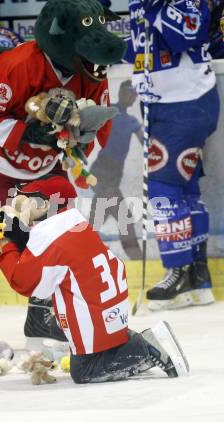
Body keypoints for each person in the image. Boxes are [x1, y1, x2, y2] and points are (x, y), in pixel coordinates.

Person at [0, 0, 126, 345]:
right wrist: (26, 132)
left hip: (46, 160)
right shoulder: (15, 66)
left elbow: (98, 126)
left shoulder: (91, 68)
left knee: (56, 225)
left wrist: (77, 164)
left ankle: (40, 311)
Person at [0, 175, 189, 383]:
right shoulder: (75, 224)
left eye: (24, 203)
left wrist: (6, 243)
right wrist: (22, 238)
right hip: (110, 316)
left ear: (45, 205)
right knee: (89, 356)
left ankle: (146, 347)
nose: (20, 209)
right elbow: (50, 258)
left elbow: (25, 283)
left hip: (96, 319)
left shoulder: (50, 236)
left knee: (84, 369)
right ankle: (128, 342)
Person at [125, 0, 219, 310]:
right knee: (184, 190)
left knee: (162, 190)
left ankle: (176, 271)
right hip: (161, 104)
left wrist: (155, 6)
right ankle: (197, 276)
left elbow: (185, 35)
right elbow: (143, 47)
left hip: (186, 104)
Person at [90, 79, 143, 260]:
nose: (133, 97)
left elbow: (146, 143)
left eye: (135, 94)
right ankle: (136, 258)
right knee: (123, 217)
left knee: (97, 219)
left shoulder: (132, 121)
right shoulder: (108, 111)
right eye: (130, 93)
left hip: (114, 174)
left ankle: (84, 251)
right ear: (121, 93)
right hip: (100, 170)